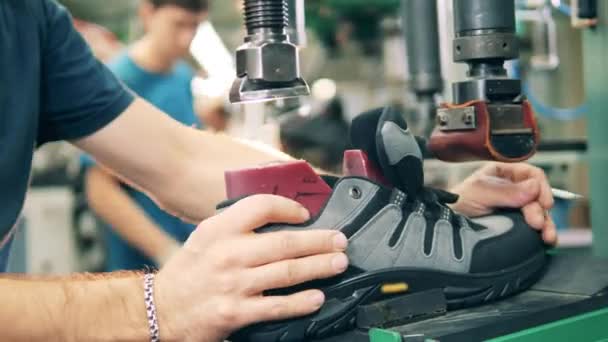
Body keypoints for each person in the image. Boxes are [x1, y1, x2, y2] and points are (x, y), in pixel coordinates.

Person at [0, 0, 556, 341]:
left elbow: (181, 160)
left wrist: (405, 206)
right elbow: (106, 188)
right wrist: (155, 303)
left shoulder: (30, 20)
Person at [82, 0, 208, 271]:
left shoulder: (182, 77)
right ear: (147, 14)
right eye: (178, 24)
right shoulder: (115, 80)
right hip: (141, 265)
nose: (187, 38)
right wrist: (165, 251)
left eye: (195, 26)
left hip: (187, 251)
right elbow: (100, 189)